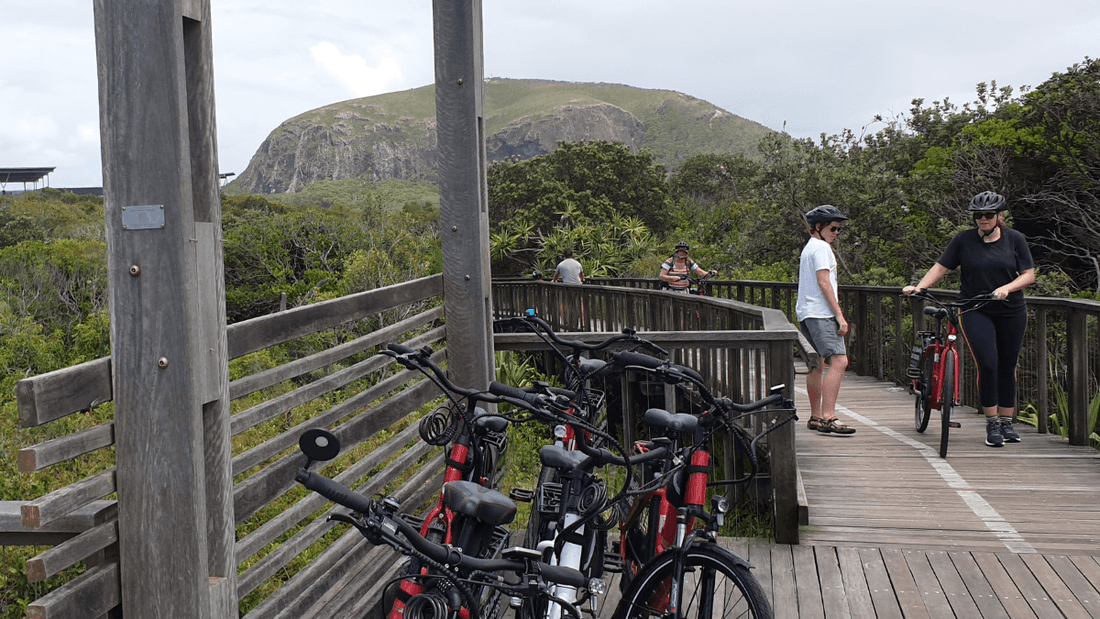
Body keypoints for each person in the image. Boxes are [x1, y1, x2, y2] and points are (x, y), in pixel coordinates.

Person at [903, 191, 1035, 448]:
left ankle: (1008, 422)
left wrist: (1008, 288)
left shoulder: (1014, 239)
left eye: (988, 215)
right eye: (978, 215)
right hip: (975, 309)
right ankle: (992, 423)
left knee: (1008, 365)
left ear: (999, 216)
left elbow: (1028, 275)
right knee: (988, 364)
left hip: (1011, 309)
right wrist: (919, 287)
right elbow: (941, 266)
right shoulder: (963, 240)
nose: (982, 219)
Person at [797, 205, 856, 435]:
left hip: (806, 311)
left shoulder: (809, 248)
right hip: (821, 313)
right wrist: (839, 316)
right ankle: (829, 416)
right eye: (833, 228)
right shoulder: (822, 248)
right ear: (818, 227)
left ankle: (815, 417)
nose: (837, 233)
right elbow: (824, 282)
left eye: (839, 229)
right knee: (839, 361)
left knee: (817, 364)